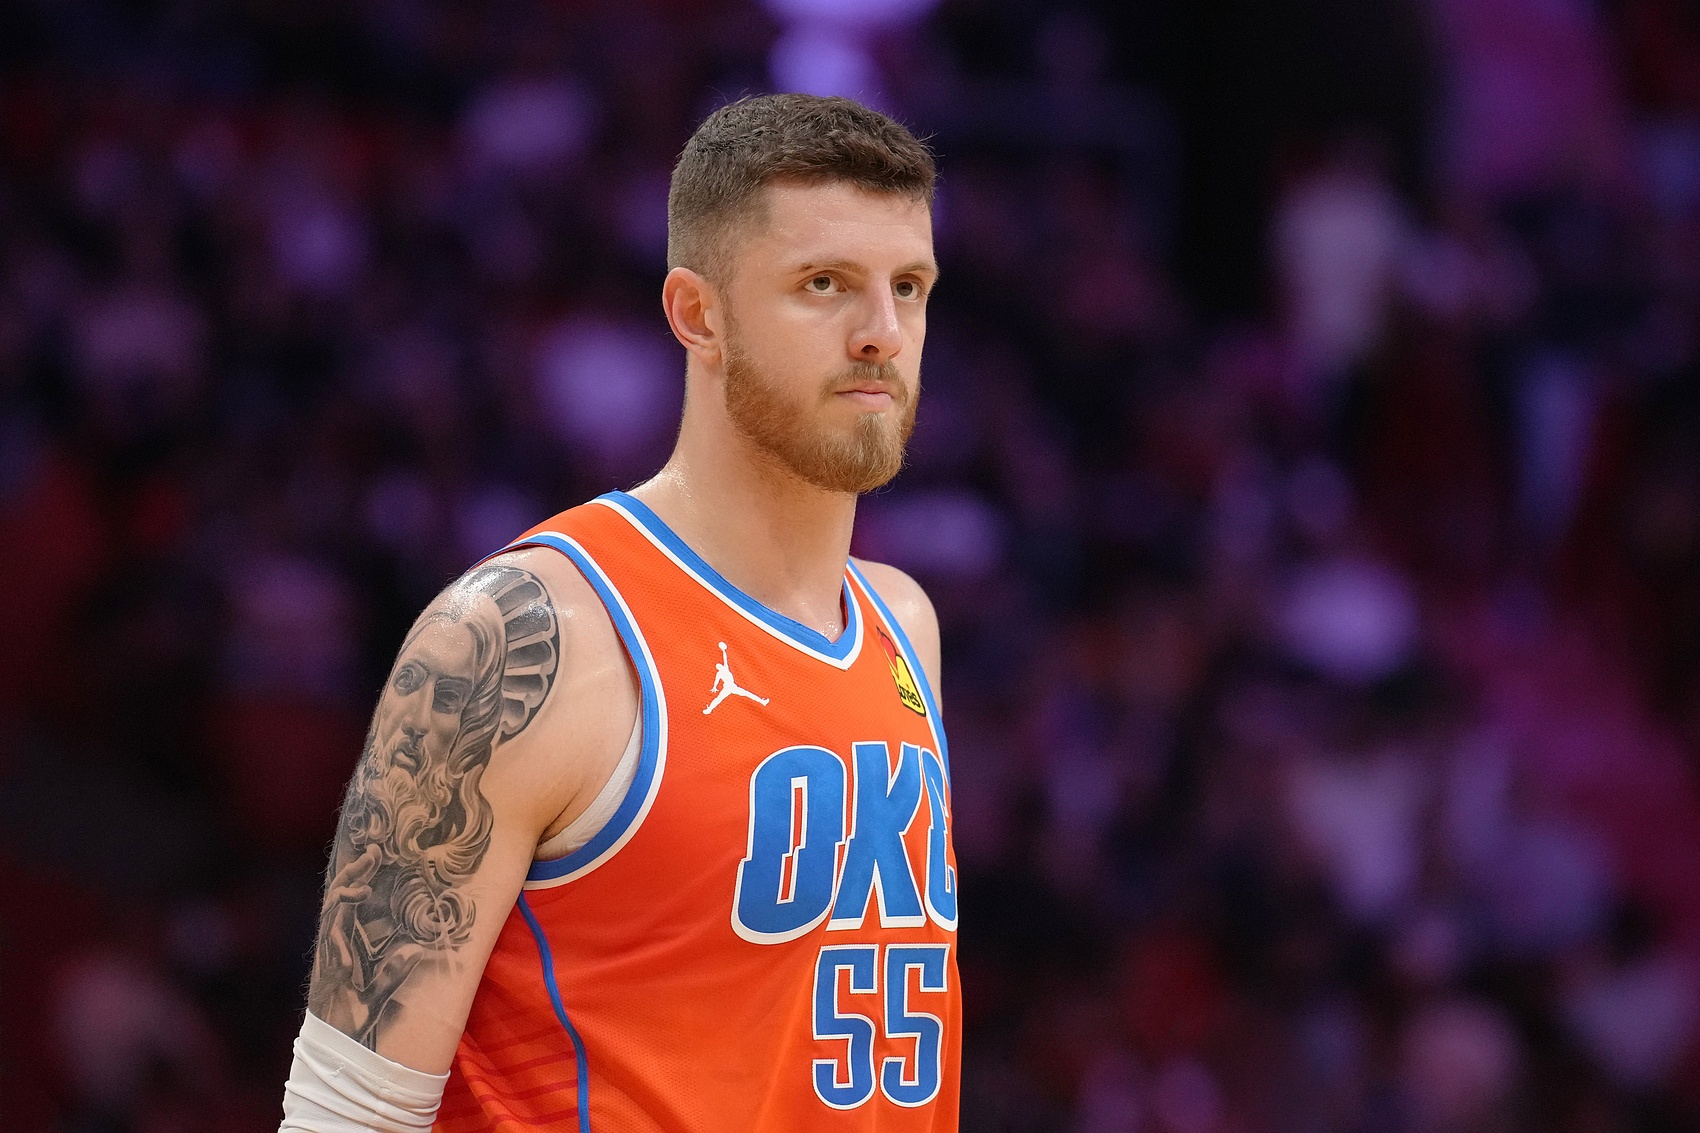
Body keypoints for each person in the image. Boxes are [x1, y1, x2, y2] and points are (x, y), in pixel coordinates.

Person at [279, 93, 959, 1132]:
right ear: (698, 314)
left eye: (907, 287)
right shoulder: (524, 637)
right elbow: (343, 1118)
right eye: (822, 285)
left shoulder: (902, 624)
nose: (881, 333)